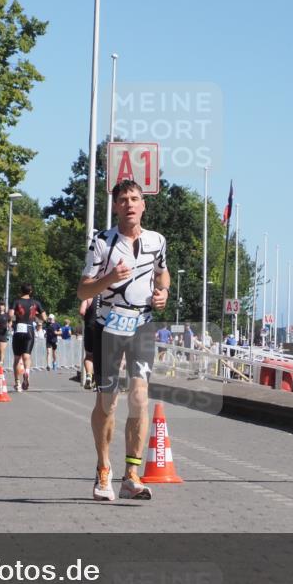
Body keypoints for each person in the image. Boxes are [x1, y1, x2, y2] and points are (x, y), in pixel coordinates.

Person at [77, 179, 169, 502]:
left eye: (135, 199)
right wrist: (109, 279)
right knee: (108, 402)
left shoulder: (157, 241)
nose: (130, 204)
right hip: (108, 326)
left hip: (142, 325)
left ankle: (132, 475)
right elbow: (83, 291)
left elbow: (162, 272)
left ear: (143, 205)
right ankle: (104, 469)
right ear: (115, 206)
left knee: (140, 397)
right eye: (123, 200)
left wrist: (164, 293)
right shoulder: (102, 242)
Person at [10, 282, 47, 392]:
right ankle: (27, 372)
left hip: (19, 329)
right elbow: (44, 317)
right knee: (27, 356)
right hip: (30, 329)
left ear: (20, 291)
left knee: (17, 358)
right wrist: (36, 315)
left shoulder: (16, 301)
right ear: (31, 291)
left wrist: (13, 318)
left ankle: (17, 382)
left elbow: (11, 315)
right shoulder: (36, 302)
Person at [79, 296, 97, 389]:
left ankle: (89, 375)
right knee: (101, 356)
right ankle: (98, 380)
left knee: (89, 355)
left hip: (90, 326)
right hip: (103, 328)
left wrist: (85, 319)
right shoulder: (108, 296)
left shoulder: (88, 296)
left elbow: (82, 311)